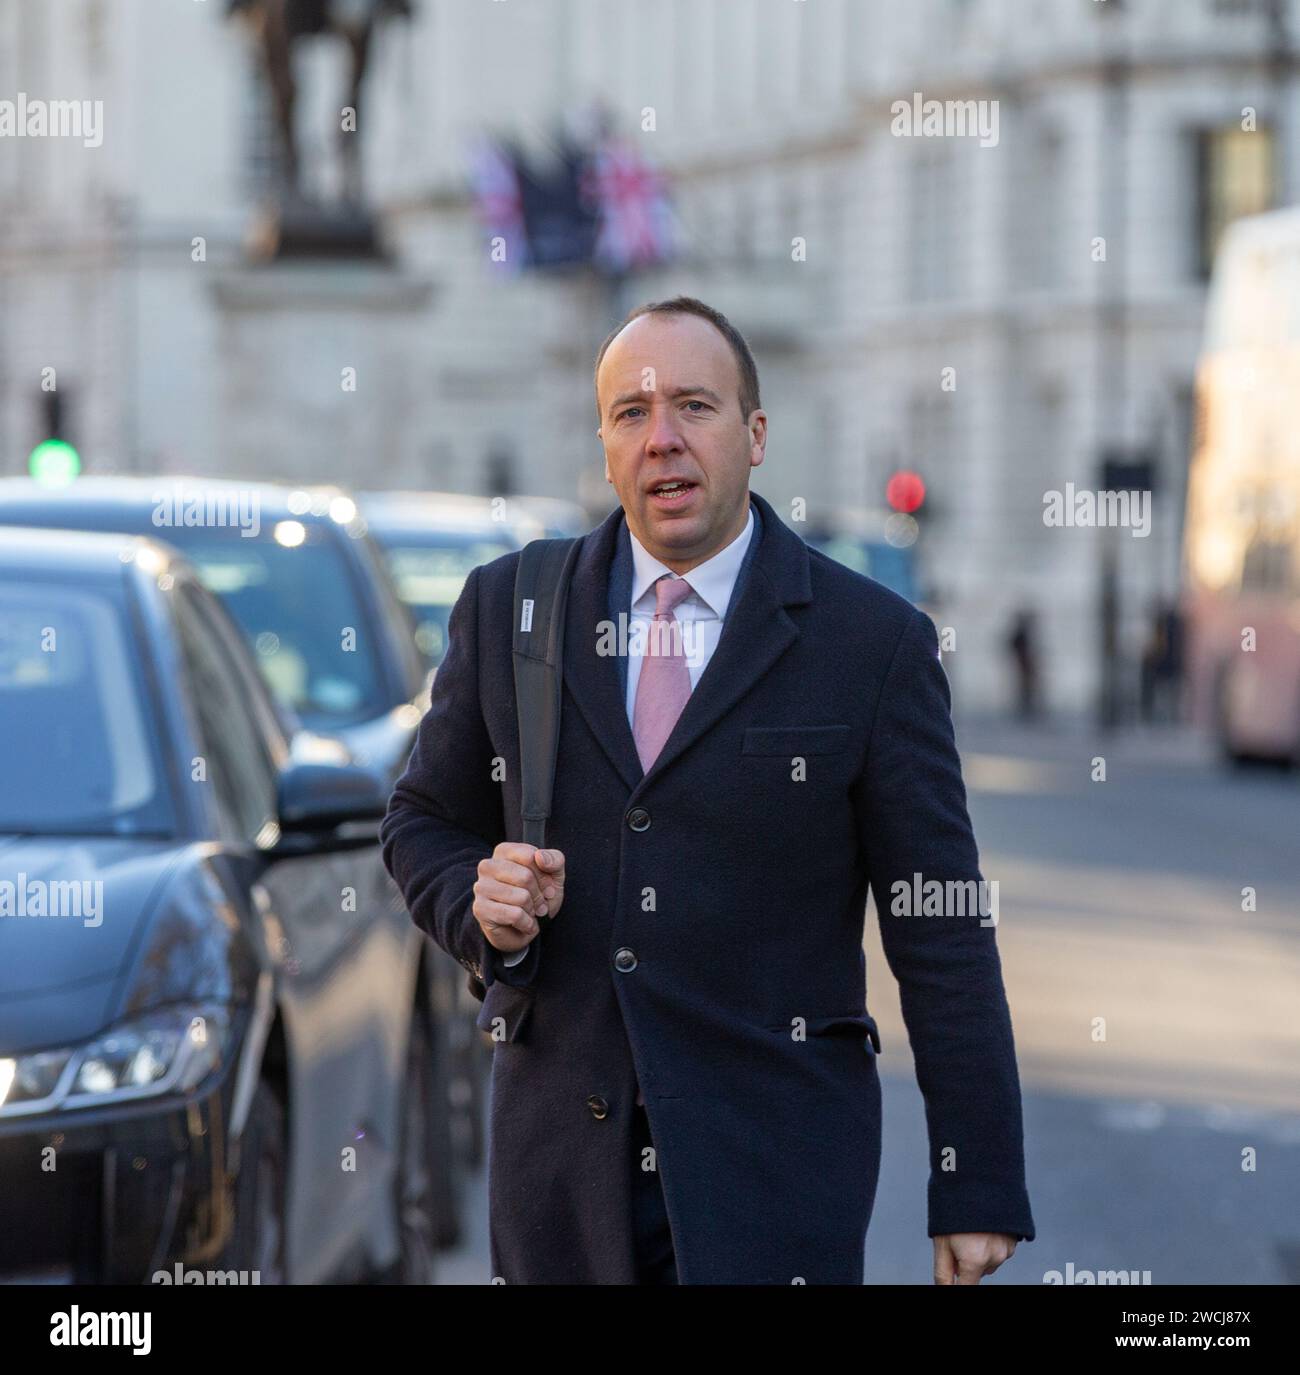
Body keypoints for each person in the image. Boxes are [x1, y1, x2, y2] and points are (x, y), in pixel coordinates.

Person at [381, 296, 1035, 1285]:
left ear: (755, 433)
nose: (664, 439)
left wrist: (975, 1174)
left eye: (695, 405)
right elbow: (420, 821)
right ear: (604, 445)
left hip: (773, 1180)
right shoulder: (514, 607)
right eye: (632, 414)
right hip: (562, 1177)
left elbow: (939, 925)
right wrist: (479, 900)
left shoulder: (871, 644)